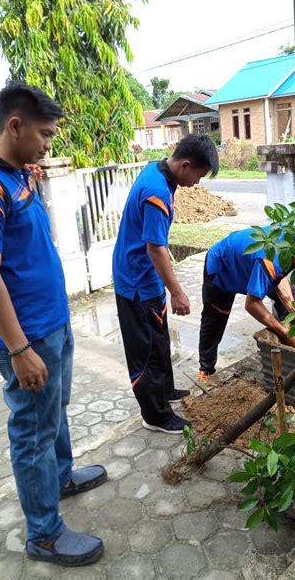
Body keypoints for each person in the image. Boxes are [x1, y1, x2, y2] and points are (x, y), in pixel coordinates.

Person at [0, 82, 106, 567]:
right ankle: (43, 534)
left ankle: (59, 478)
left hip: (52, 322)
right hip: (28, 336)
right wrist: (19, 350)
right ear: (14, 125)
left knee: (53, 412)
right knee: (32, 430)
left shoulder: (19, 176)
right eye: (44, 133)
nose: (48, 143)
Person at [113, 134, 219, 434]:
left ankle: (165, 392)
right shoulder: (157, 191)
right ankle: (155, 415)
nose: (197, 183)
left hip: (145, 279)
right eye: (198, 175)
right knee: (145, 349)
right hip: (136, 282)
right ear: (185, 164)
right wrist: (177, 292)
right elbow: (156, 248)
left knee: (159, 341)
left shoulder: (156, 170)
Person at [198, 226, 295, 380]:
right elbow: (252, 304)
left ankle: (290, 354)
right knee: (215, 321)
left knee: (286, 308)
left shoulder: (289, 241)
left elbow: (280, 279)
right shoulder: (269, 259)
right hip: (222, 267)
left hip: (248, 264)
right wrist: (285, 333)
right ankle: (205, 371)